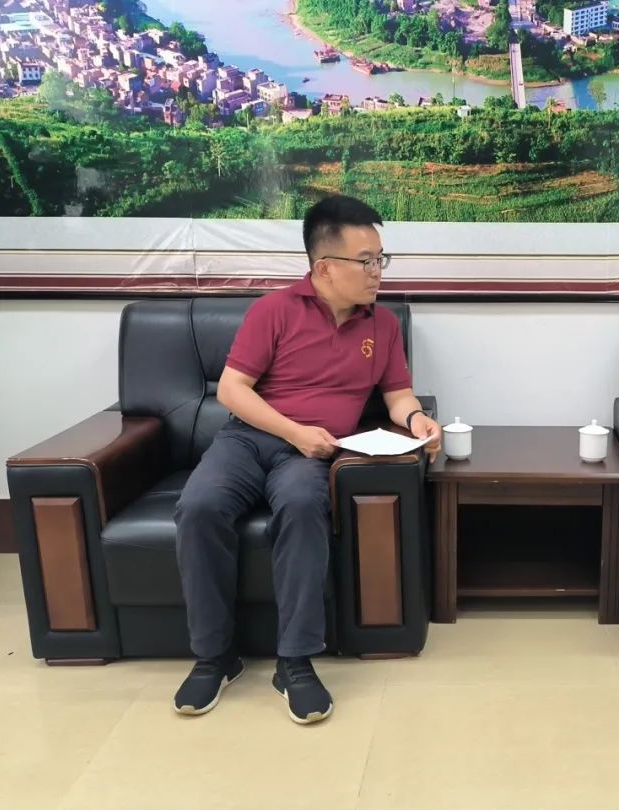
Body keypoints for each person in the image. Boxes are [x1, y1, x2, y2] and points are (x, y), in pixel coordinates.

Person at [172, 195, 441, 724]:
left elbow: (397, 396)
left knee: (301, 506)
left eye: (381, 259)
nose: (377, 271)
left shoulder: (382, 325)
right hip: (249, 440)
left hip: (314, 455)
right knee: (198, 506)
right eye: (366, 260)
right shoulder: (274, 311)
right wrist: (294, 432)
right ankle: (214, 656)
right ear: (324, 267)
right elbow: (231, 389)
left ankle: (294, 661)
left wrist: (416, 421)